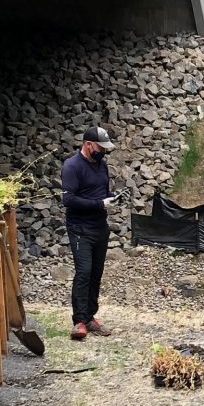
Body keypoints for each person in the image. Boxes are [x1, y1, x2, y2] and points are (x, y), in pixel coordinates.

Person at [61, 125, 118, 341]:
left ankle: (91, 316)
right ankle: (79, 321)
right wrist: (98, 203)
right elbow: (68, 199)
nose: (103, 151)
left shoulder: (102, 166)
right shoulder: (72, 166)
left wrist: (111, 198)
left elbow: (101, 192)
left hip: (99, 226)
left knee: (96, 272)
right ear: (88, 145)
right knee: (83, 272)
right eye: (100, 147)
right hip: (79, 228)